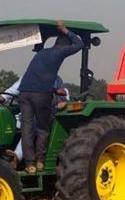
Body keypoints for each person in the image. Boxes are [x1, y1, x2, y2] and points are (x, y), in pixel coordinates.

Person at [18, 21, 83, 174]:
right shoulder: (60, 52)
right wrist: (64, 30)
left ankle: (29, 164)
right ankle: (40, 161)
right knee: (42, 127)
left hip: (24, 92)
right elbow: (79, 44)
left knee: (26, 127)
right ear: (66, 47)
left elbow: (38, 76)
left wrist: (54, 90)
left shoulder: (42, 53)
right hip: (41, 95)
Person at [0, 76, 69, 169]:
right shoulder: (28, 76)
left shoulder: (56, 79)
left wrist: (65, 102)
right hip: (27, 111)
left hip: (48, 112)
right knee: (10, 120)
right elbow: (13, 90)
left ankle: (17, 156)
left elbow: (65, 95)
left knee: (30, 126)